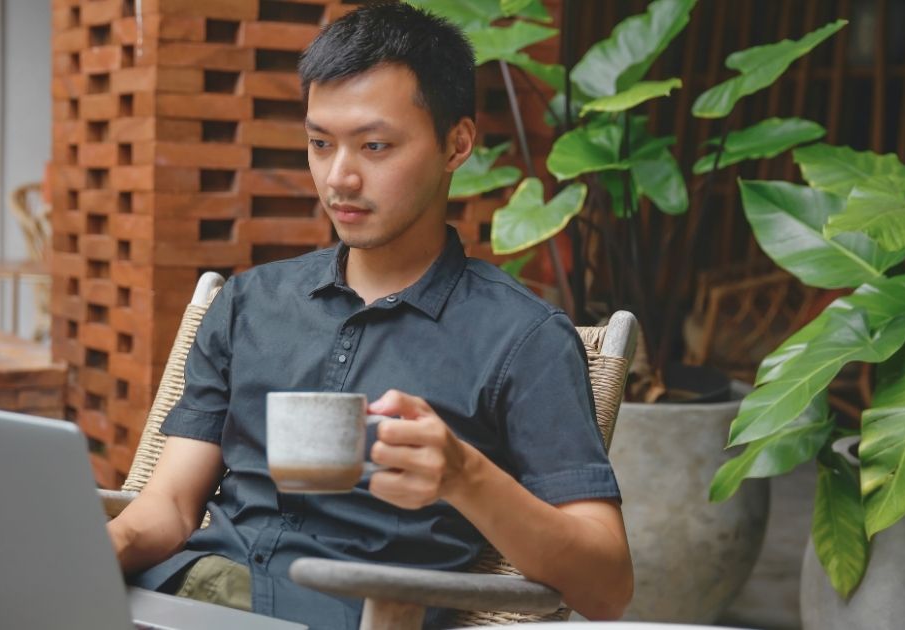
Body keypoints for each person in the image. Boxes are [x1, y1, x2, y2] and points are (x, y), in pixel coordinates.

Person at [108, 3, 632, 628]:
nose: (339, 178)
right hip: (175, 595)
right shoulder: (251, 304)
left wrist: (464, 475)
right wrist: (99, 550)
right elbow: (168, 503)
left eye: (375, 145)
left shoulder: (521, 338)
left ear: (456, 144)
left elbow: (607, 587)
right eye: (319, 144)